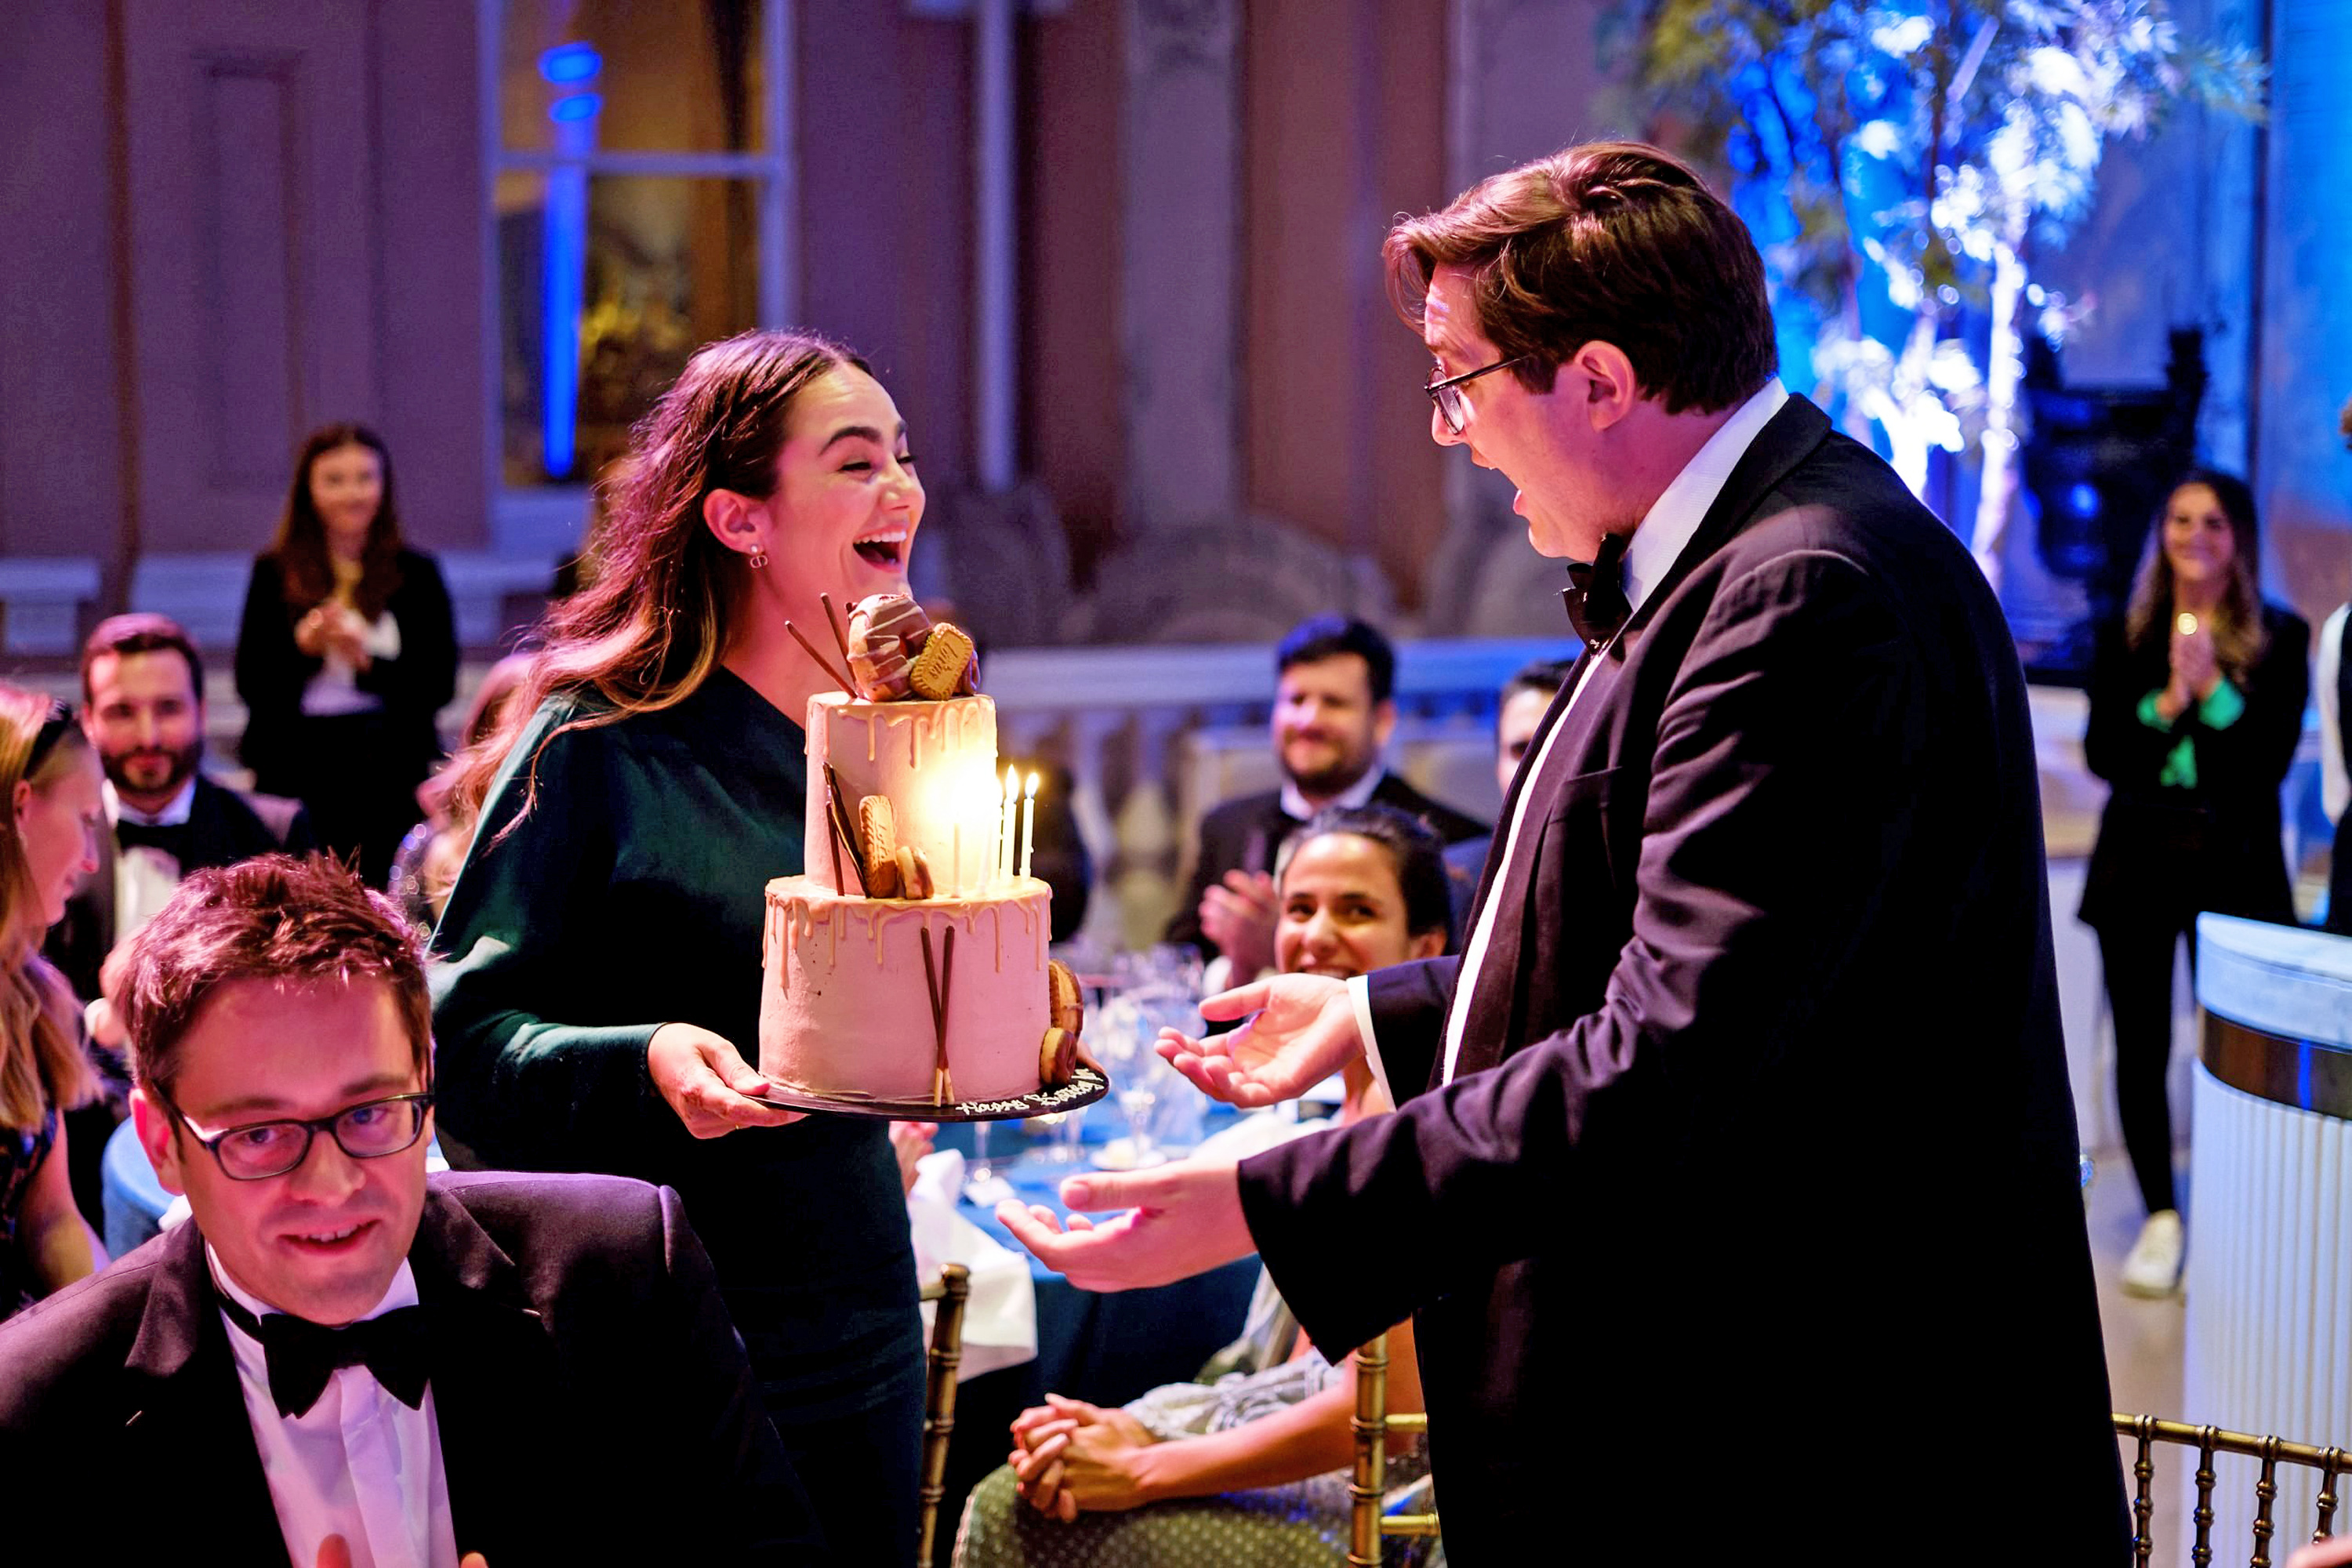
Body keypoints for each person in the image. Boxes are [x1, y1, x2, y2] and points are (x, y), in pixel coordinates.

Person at [999, 141, 2126, 1563]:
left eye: (1458, 382)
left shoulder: (1802, 590)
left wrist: (1267, 1204)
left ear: (1598, 379)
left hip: (1812, 1447)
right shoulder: (1739, 551)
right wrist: (1371, 1008)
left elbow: (1672, 1058)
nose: (1449, 434)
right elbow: (1656, 943)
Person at [432, 328, 927, 1563]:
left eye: (905, 457)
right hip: (664, 1325)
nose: (903, 491)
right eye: (857, 462)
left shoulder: (901, 737)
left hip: (862, 1305)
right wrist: (645, 1057)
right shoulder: (595, 741)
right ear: (738, 518)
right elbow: (461, 1037)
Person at [0, 855, 824, 1560]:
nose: (331, 1185)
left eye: (369, 1112)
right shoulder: (32, 1409)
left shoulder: (626, 1273)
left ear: (426, 1086)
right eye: (259, 1134)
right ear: (162, 1142)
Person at [956, 805, 1444, 1568]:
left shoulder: (1413, 1116)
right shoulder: (1345, 1102)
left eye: (1357, 910)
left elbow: (1385, 1412)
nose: (1317, 935)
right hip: (1310, 1430)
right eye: (1300, 908)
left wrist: (1147, 1466)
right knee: (1038, 1465)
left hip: (1388, 1504)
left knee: (1009, 1511)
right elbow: (1296, 1378)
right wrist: (1144, 1426)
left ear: (1428, 951)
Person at [2081, 471, 2308, 1297]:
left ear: (2238, 536)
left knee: (2242, 1050)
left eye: (2213, 522)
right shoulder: (2124, 632)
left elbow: (2264, 764)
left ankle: (2238, 1210)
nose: (2195, 536)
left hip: (2236, 871)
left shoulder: (2281, 636)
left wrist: (2212, 693)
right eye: (2180, 519)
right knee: (2141, 1048)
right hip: (2137, 868)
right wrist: (2168, 699)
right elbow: (2107, 755)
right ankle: (2160, 1216)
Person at [45, 613, 313, 1226]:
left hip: (242, 1149)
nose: (148, 735)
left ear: (200, 710)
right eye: (122, 712)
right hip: (74, 1153)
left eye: (167, 709)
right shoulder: (44, 843)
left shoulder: (274, 834)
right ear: (88, 721)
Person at [1166, 615, 1486, 983]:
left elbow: (1455, 981)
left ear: (1382, 721)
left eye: (1334, 703)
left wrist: (1280, 946)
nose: (1309, 720)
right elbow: (1177, 963)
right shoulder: (1227, 826)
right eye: (1296, 700)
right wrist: (1235, 969)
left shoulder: (1454, 839)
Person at [235, 423, 458, 887]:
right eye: (335, 480)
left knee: (383, 896)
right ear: (309, 489)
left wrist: (367, 664)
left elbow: (439, 683)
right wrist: (304, 650)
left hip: (388, 769)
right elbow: (251, 682)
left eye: (365, 478)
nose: (352, 493)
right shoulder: (273, 572)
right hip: (297, 766)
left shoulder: (417, 573)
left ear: (384, 485)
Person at [0, 688, 107, 1323]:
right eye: (85, 819)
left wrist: (113, 1330)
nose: (92, 859)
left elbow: (51, 1220)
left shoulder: (30, 993)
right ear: (21, 807)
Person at [1443, 655, 1575, 933]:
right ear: (1497, 764)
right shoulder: (1450, 882)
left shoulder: (1648, 873)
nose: (1537, 767)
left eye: (1558, 746)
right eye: (1521, 750)